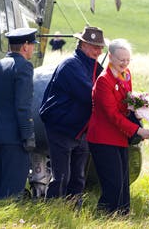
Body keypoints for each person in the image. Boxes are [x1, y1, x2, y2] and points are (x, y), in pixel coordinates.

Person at [86, 38, 149, 215]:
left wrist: (140, 105)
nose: (124, 63)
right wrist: (138, 131)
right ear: (110, 56)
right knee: (113, 183)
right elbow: (112, 115)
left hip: (120, 136)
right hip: (103, 137)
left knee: (123, 183)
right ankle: (105, 217)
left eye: (128, 60)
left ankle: (123, 217)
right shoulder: (104, 81)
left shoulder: (127, 74)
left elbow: (126, 101)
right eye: (121, 60)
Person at [39, 26, 106, 203]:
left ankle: (72, 210)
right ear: (83, 44)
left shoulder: (93, 67)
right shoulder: (71, 65)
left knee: (78, 177)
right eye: (94, 46)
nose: (98, 51)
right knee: (62, 177)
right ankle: (53, 211)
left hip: (81, 129)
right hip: (62, 128)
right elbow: (89, 95)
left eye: (100, 47)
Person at [0, 28, 38, 200]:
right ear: (25, 46)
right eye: (32, 45)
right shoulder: (24, 67)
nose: (33, 49)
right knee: (12, 189)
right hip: (15, 136)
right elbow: (22, 105)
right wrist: (28, 134)